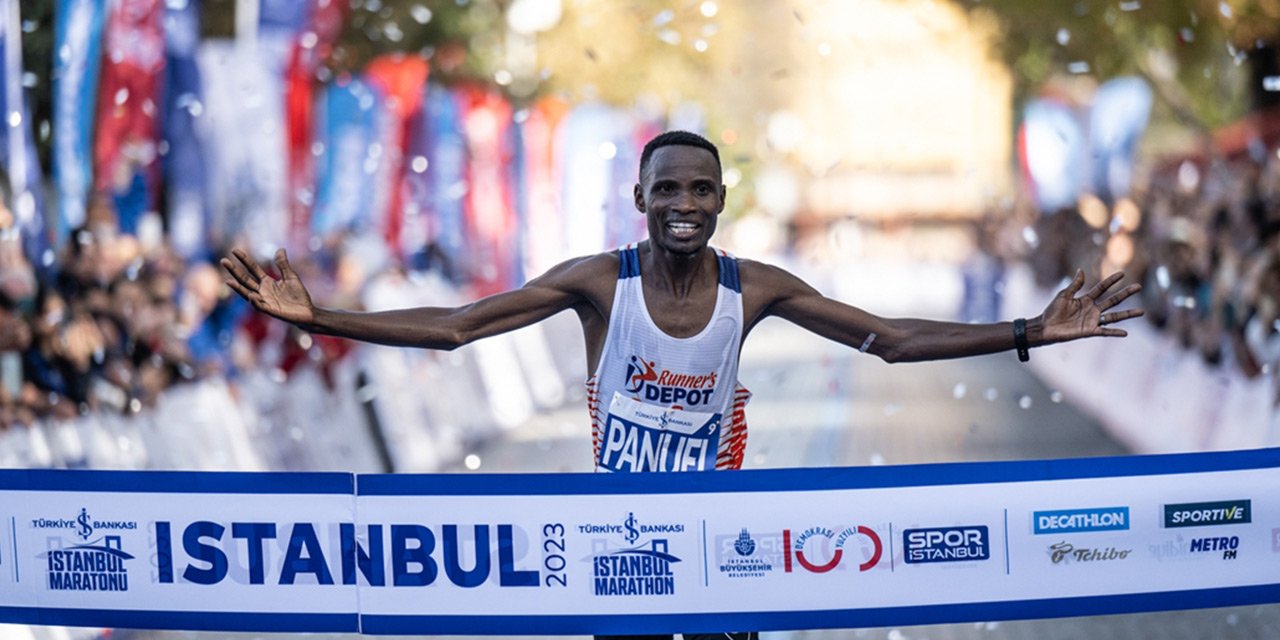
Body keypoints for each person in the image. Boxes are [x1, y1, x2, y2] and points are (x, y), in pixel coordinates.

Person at [222, 130, 1142, 640]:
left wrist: (1030, 332)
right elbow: (459, 327)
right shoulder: (597, 281)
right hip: (617, 557)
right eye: (668, 190)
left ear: (721, 203)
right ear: (641, 199)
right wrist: (320, 317)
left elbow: (890, 341)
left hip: (719, 552)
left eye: (702, 191)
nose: (685, 206)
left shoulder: (757, 288)